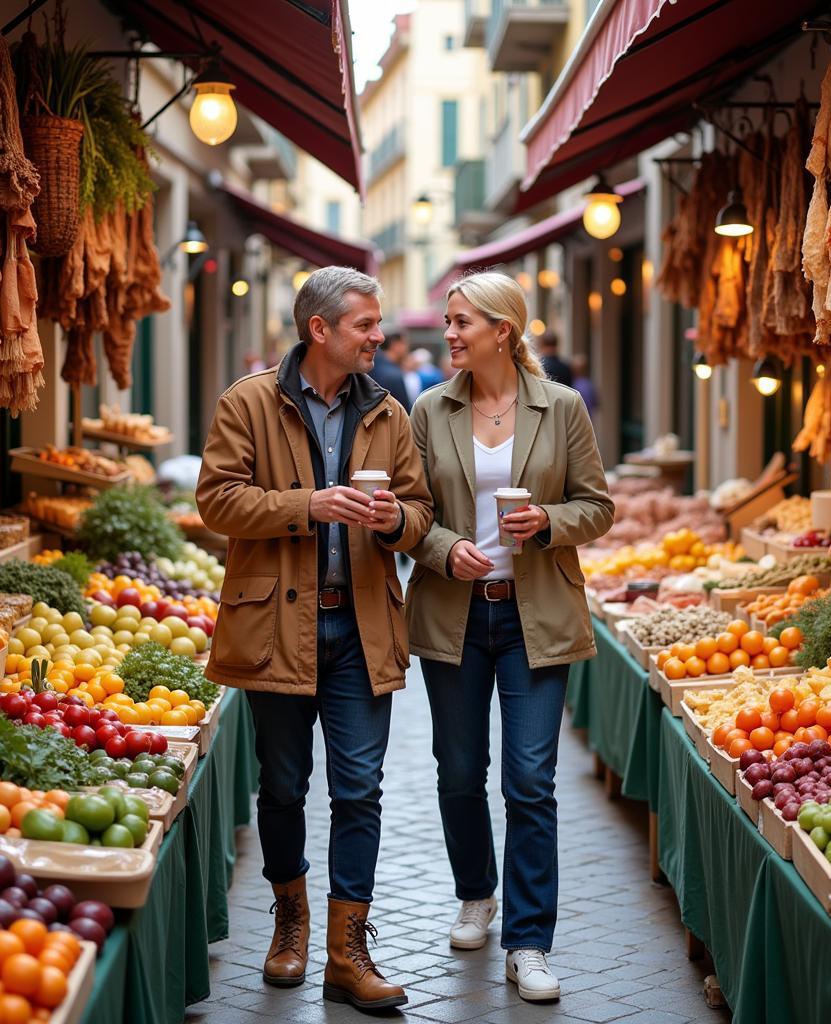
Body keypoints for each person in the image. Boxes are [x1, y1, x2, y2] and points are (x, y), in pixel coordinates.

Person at [196, 266, 433, 1012]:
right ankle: (289, 923)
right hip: (275, 625)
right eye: (366, 324)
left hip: (361, 625)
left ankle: (347, 951)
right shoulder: (249, 402)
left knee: (360, 789)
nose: (379, 336)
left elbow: (421, 511)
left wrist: (395, 520)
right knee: (284, 786)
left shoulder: (390, 413)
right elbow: (217, 499)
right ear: (320, 329)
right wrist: (310, 504)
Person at [406, 272, 614, 1002]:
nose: (449, 333)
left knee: (530, 779)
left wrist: (550, 523)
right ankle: (475, 892)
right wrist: (441, 549)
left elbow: (598, 505)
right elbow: (408, 512)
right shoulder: (429, 409)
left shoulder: (560, 407)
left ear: (503, 329)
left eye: (462, 322)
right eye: (448, 322)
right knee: (459, 772)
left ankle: (530, 942)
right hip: (453, 614)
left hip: (538, 616)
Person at [369, 330, 412, 410]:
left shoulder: (372, 366)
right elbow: (402, 412)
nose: (407, 348)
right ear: (395, 345)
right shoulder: (394, 376)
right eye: (405, 343)